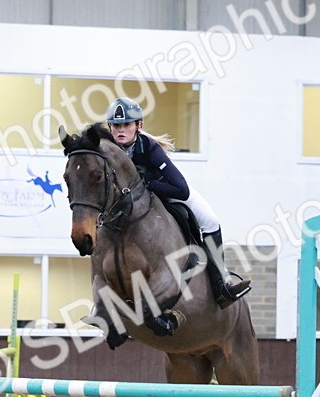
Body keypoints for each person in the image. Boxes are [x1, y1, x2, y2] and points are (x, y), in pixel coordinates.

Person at [105, 97, 251, 309]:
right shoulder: (107, 150)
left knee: (210, 220)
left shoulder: (150, 148)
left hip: (167, 192)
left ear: (139, 126)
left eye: (126, 124)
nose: (121, 130)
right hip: (129, 207)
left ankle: (222, 284)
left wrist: (148, 185)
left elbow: (181, 190)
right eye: (116, 125)